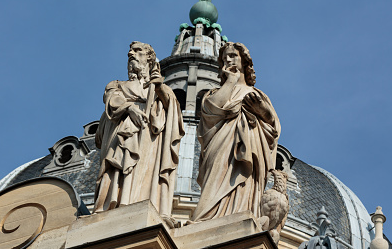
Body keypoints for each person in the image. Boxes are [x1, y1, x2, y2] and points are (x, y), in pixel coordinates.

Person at [93, 41, 184, 220]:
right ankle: (116, 203)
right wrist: (129, 108)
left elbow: (172, 109)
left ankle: (141, 201)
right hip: (122, 137)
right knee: (120, 171)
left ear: (149, 60)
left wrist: (158, 87)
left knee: (144, 173)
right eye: (130, 51)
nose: (130, 54)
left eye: (137, 51)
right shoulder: (117, 84)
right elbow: (112, 100)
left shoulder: (159, 89)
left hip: (149, 141)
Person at [192, 42, 280, 222]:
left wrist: (262, 110)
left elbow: (273, 127)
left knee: (244, 182)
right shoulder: (216, 92)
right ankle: (208, 216)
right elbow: (212, 109)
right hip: (221, 143)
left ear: (244, 61)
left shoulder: (257, 93)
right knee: (217, 178)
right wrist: (230, 81)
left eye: (233, 56)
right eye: (224, 58)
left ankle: (240, 213)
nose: (228, 60)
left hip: (250, 143)